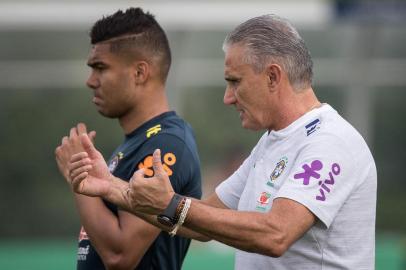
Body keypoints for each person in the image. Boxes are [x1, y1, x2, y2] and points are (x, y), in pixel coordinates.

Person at [67, 14, 377, 269]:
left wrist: (173, 204)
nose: (228, 98)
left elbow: (276, 235)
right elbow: (196, 221)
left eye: (235, 82)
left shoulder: (330, 142)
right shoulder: (273, 142)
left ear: (272, 76)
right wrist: (110, 187)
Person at [54, 7, 202, 270]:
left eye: (100, 68)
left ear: (139, 73)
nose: (91, 81)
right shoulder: (136, 142)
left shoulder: (165, 144)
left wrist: (78, 178)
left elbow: (121, 255)